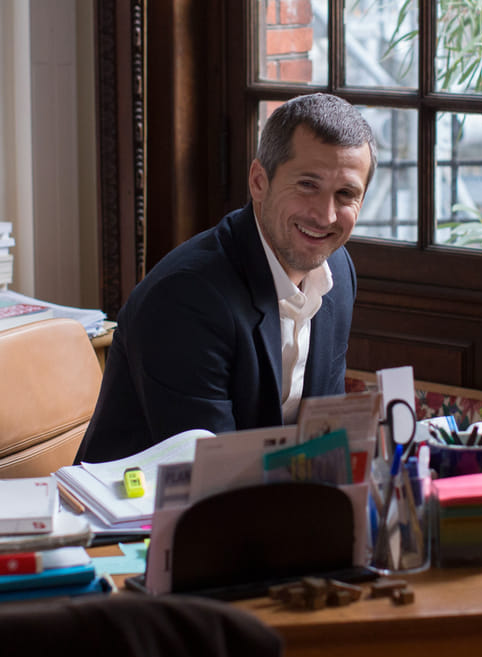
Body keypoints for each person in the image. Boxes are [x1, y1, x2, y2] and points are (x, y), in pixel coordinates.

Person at [78, 93, 375, 463]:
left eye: (345, 194)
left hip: (268, 491)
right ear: (259, 182)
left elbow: (324, 437)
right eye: (307, 185)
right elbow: (214, 470)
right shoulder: (186, 297)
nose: (325, 215)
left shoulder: (337, 272)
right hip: (145, 497)